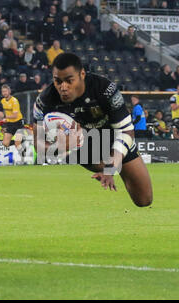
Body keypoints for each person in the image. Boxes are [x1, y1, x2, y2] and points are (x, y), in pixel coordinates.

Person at [33, 53, 152, 207]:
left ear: (82, 74)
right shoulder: (44, 101)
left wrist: (111, 168)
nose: (63, 87)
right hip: (86, 147)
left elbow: (126, 131)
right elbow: (38, 143)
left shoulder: (104, 89)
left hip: (114, 137)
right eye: (58, 81)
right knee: (99, 160)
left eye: (69, 81)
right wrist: (59, 147)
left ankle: (112, 164)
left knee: (144, 200)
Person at [0, 85, 25, 159]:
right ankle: (21, 141)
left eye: (5, 91)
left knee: (17, 144)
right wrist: (5, 118)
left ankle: (25, 157)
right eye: (3, 91)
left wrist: (5, 118)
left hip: (18, 123)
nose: (4, 93)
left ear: (9, 91)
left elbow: (15, 115)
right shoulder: (3, 101)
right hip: (10, 124)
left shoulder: (14, 101)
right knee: (5, 143)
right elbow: (5, 112)